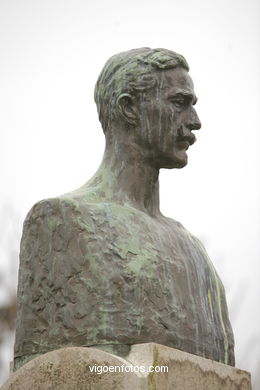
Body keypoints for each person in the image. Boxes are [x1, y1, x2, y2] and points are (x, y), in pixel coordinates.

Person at [14, 48, 235, 370]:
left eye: (192, 107)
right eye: (178, 103)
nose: (195, 122)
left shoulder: (193, 250)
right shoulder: (61, 221)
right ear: (129, 108)